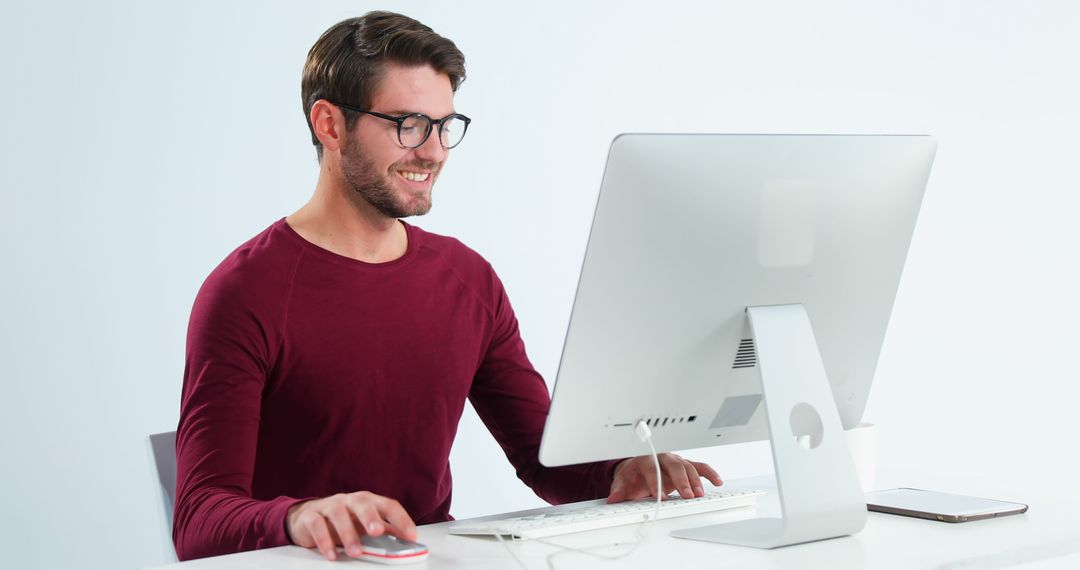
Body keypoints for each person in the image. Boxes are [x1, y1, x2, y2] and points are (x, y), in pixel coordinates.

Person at [173, 11, 723, 562]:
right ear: (330, 125)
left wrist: (622, 471)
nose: (434, 151)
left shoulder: (467, 279)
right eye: (407, 125)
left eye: (444, 125)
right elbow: (200, 517)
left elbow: (544, 459)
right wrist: (300, 515)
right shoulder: (245, 292)